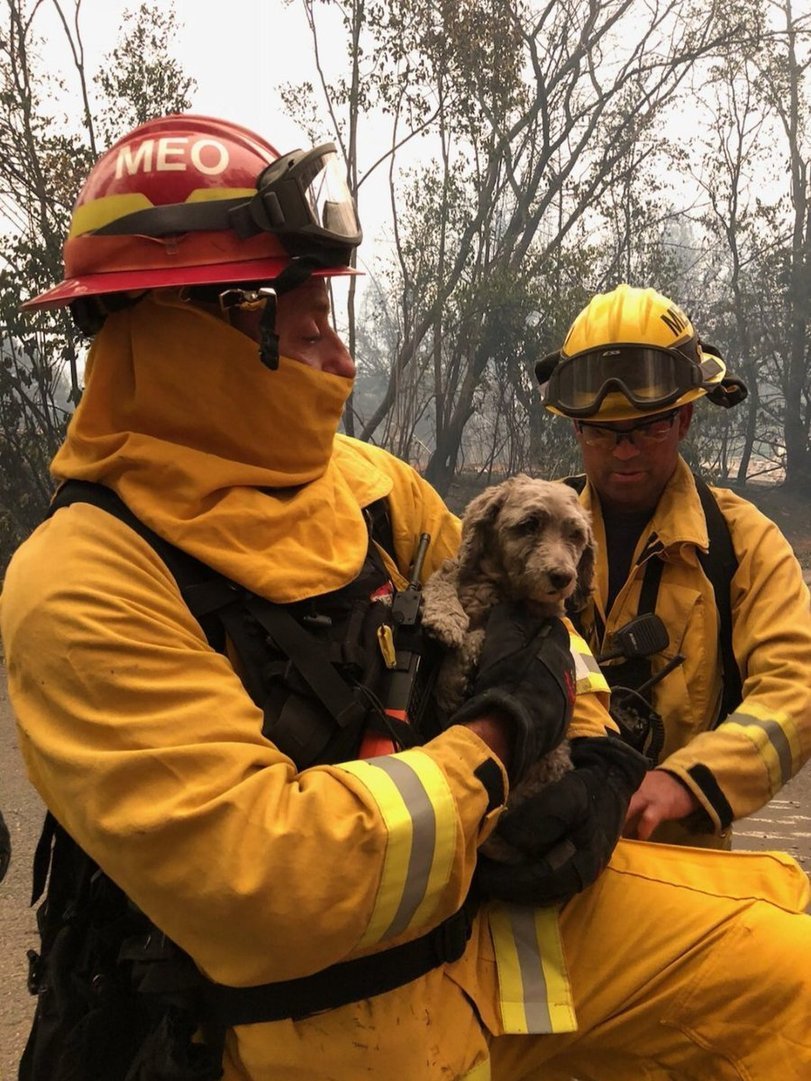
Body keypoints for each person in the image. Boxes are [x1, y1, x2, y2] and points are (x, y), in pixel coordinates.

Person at [1, 115, 810, 1081]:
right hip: (288, 1018)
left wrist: (590, 749)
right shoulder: (84, 578)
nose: (343, 362)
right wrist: (498, 748)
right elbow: (274, 882)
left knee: (786, 960)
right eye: (309, 330)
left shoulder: (367, 488)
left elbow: (551, 639)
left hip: (471, 929)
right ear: (198, 338)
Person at [536, 283, 811, 848]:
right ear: (575, 428)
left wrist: (686, 783)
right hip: (538, 849)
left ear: (685, 419)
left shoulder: (742, 545)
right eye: (603, 432)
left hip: (682, 867)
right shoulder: (522, 530)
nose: (625, 450)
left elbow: (795, 688)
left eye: (649, 427)